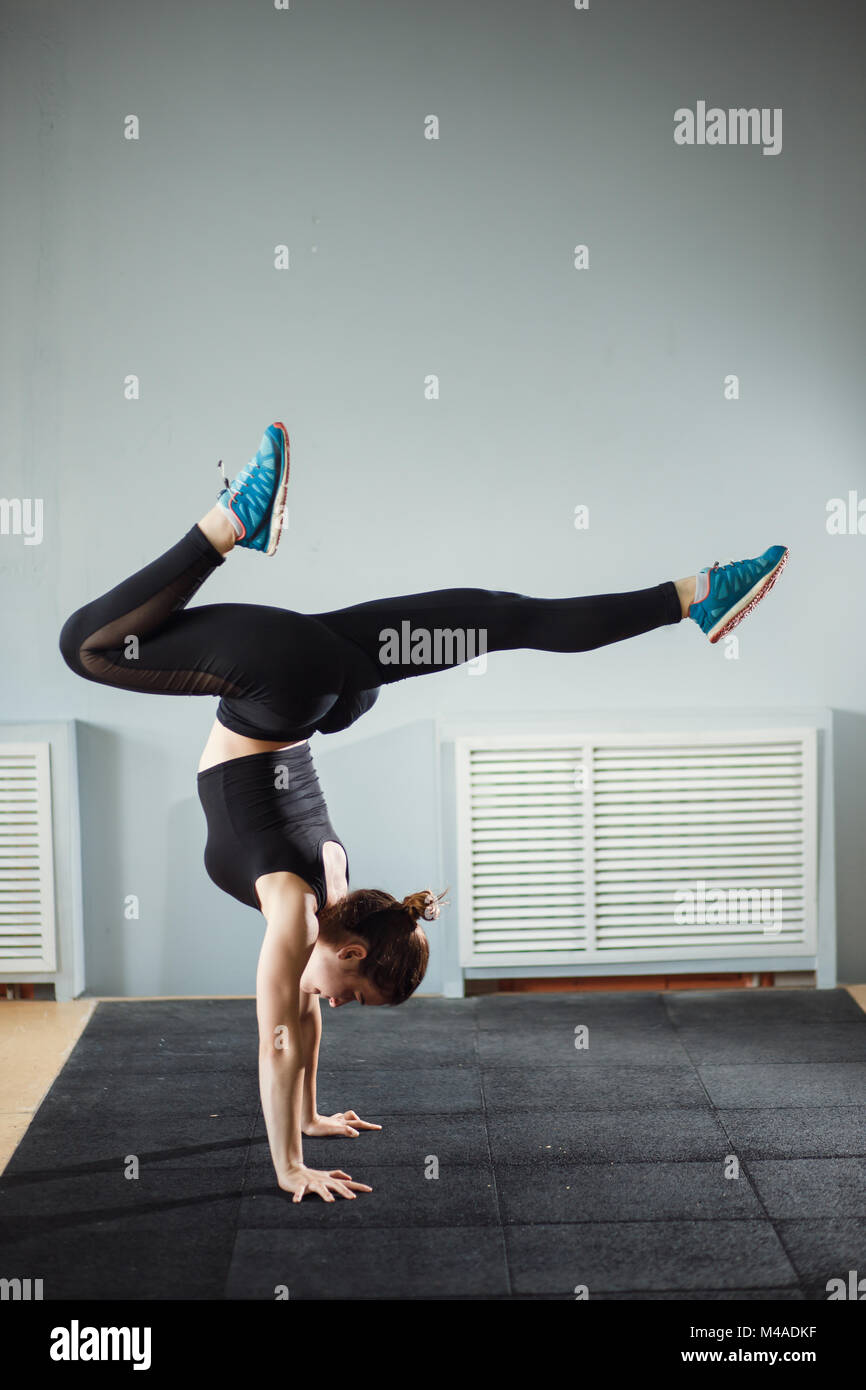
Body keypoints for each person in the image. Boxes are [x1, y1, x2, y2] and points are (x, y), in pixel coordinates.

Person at [59, 422, 788, 1200]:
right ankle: (237, 517)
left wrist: (308, 1122)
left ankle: (695, 596)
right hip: (286, 683)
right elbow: (279, 1043)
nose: (336, 1005)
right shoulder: (298, 915)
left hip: (339, 682)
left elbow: (300, 1022)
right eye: (353, 993)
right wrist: (289, 1170)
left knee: (511, 618)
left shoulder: (339, 903)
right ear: (351, 954)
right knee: (87, 647)